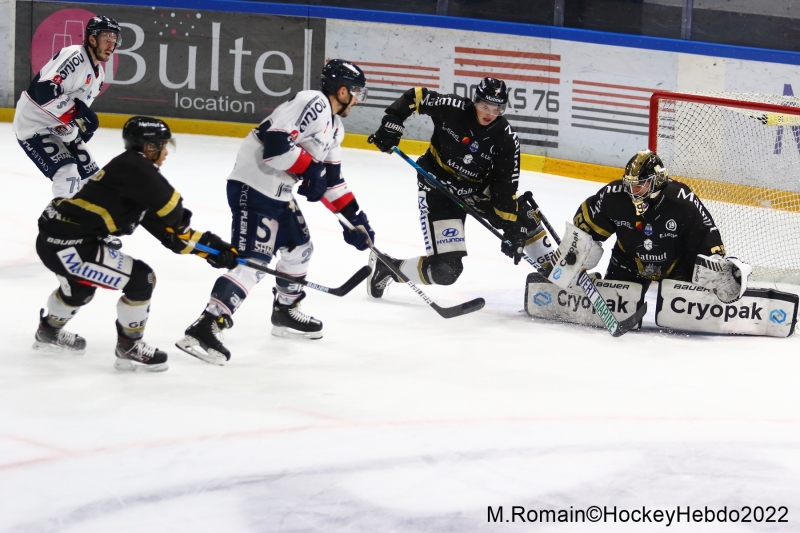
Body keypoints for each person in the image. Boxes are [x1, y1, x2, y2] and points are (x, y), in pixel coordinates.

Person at [175, 59, 375, 365]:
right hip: (254, 184)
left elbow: (333, 182)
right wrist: (312, 171)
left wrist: (357, 221)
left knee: (300, 250)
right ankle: (207, 324)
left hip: (278, 192)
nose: (358, 99)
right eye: (356, 92)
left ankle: (285, 311)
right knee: (254, 261)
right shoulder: (315, 102)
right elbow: (276, 146)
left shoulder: (335, 128)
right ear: (343, 90)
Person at [33, 116, 239, 372]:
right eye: (163, 145)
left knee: (79, 290)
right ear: (149, 147)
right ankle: (129, 346)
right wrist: (212, 248)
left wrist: (214, 250)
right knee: (142, 280)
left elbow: (171, 236)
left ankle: (48, 332)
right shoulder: (138, 170)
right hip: (69, 247)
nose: (166, 152)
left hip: (57, 241)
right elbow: (174, 215)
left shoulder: (131, 175)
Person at [366, 77, 554, 298]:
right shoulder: (452, 108)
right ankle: (387, 268)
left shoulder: (506, 137)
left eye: (497, 109)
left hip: (477, 190)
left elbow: (504, 185)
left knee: (524, 218)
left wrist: (513, 226)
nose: (489, 113)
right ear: (476, 101)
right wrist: (393, 120)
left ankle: (556, 276)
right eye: (485, 106)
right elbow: (416, 96)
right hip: (438, 189)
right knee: (446, 271)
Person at [547, 149, 749, 304]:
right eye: (630, 184)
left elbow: (705, 235)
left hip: (675, 266)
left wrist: (716, 265)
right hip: (628, 262)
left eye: (639, 185)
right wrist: (571, 258)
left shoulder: (682, 200)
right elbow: (583, 230)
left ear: (657, 181)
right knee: (585, 249)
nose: (632, 191)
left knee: (703, 276)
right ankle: (561, 285)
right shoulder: (614, 196)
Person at [14, 15, 120, 198]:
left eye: (114, 40)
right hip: (34, 125)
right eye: (106, 38)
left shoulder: (99, 75)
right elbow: (45, 91)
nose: (111, 45)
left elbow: (76, 115)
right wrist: (80, 113)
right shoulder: (75, 55)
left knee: (94, 179)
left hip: (59, 127)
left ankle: (87, 222)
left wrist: (79, 129)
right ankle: (60, 223)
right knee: (68, 173)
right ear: (92, 38)